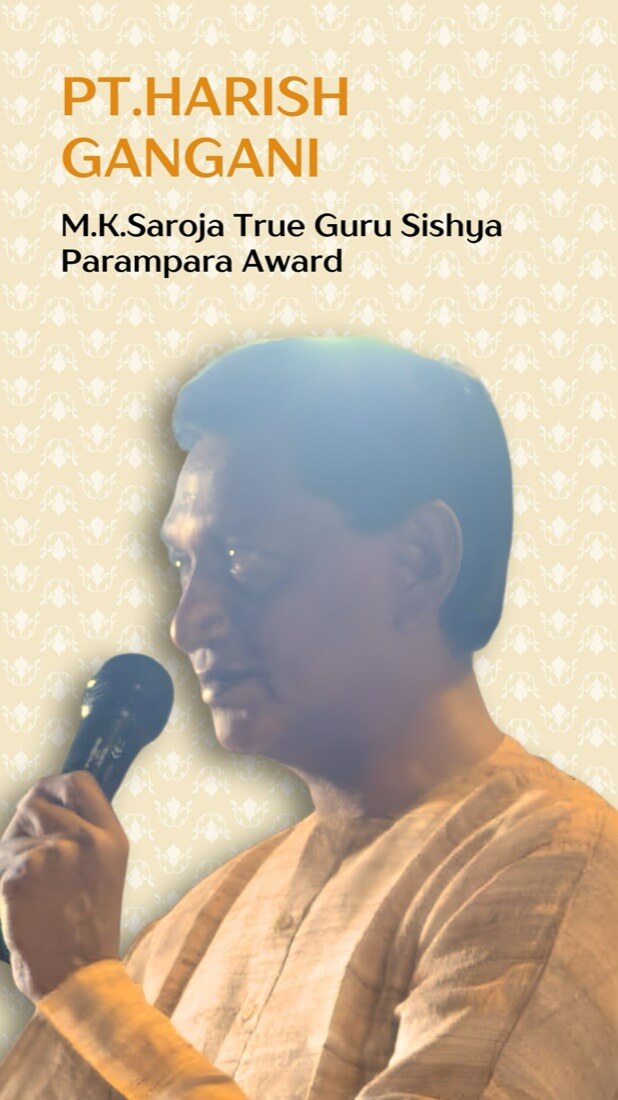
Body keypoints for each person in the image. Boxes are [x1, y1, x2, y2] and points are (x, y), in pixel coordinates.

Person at [0, 337, 615, 1099]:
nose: (187, 624)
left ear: (418, 562)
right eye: (184, 565)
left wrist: (86, 985)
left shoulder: (558, 865)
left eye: (243, 561)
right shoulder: (206, 916)